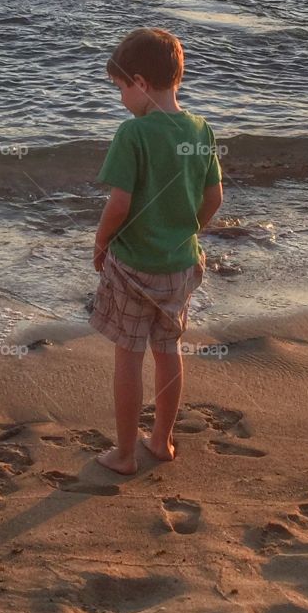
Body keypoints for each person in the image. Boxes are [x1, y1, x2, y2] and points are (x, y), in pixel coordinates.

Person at [90, 27, 223, 473]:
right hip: (179, 265)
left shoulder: (134, 134)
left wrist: (101, 240)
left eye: (121, 88)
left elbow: (120, 203)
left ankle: (125, 453)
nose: (122, 98)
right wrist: (188, 231)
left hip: (131, 267)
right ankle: (162, 441)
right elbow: (214, 197)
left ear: (141, 83)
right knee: (168, 351)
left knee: (127, 355)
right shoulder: (201, 130)